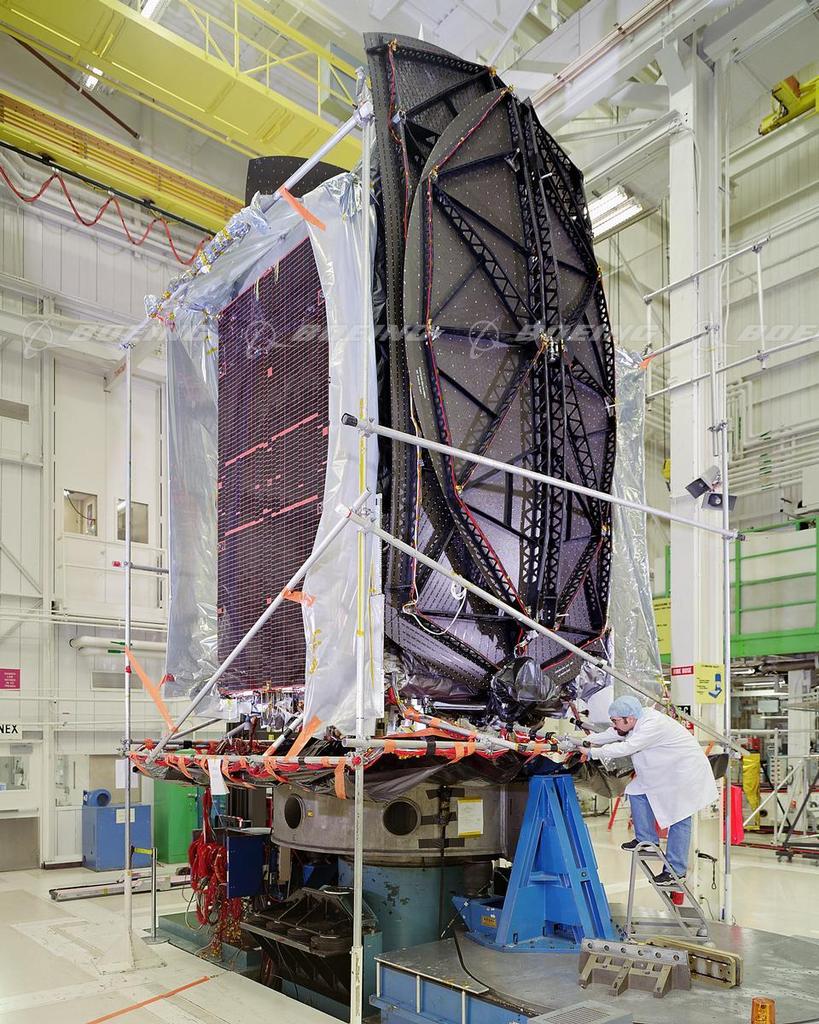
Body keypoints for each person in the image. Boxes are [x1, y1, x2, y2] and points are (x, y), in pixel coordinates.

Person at [562, 695, 718, 886]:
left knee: (679, 818)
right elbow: (612, 734)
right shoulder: (636, 719)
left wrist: (592, 752)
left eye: (616, 721)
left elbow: (626, 747)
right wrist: (580, 742)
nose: (614, 725)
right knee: (635, 791)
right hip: (667, 772)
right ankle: (647, 841)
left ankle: (676, 871)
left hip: (686, 775)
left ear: (629, 718)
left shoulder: (652, 725)